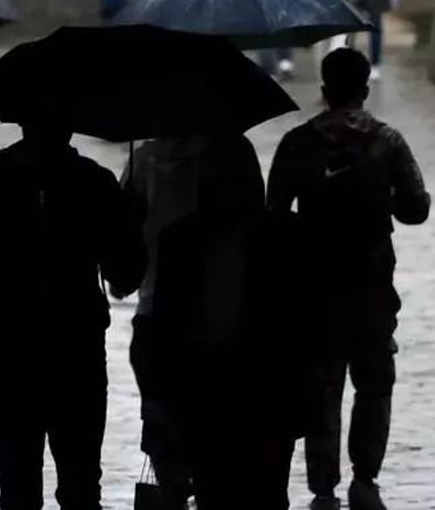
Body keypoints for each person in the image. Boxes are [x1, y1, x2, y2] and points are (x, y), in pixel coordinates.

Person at [0, 123, 145, 510]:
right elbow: (126, 276)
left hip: (7, 358)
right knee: (81, 490)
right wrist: (132, 223)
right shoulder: (95, 184)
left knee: (18, 490)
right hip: (75, 356)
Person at [268, 48, 431, 510]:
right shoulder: (388, 142)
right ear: (364, 89)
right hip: (373, 285)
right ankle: (365, 478)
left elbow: (272, 216)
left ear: (324, 91)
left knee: (322, 386)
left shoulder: (298, 143)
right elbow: (415, 208)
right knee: (374, 384)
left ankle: (323, 487)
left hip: (315, 289)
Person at [123, 134, 304, 510]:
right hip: (261, 395)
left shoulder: (180, 238)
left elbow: (165, 330)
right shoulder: (286, 237)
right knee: (264, 493)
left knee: (217, 492)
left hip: (212, 395)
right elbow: (307, 324)